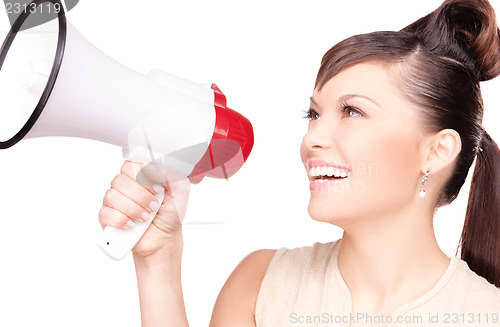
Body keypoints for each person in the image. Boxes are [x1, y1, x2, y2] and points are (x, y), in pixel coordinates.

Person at [98, 0, 500, 325]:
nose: (312, 139)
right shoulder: (260, 284)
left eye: (353, 112)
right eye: (314, 114)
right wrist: (159, 260)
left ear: (437, 151)